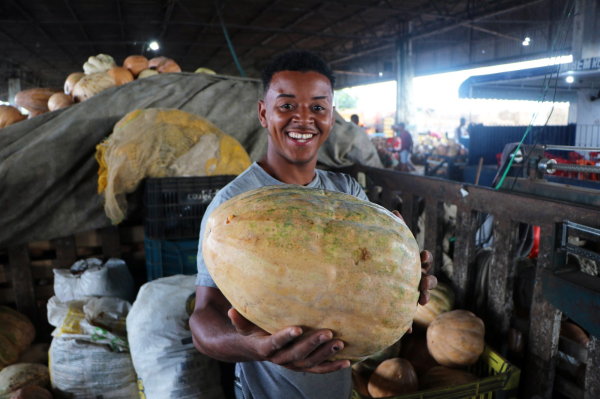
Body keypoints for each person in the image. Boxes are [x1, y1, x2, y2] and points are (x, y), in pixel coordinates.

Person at [190, 50, 437, 399]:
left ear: (331, 117)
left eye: (318, 107)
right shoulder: (230, 205)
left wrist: (407, 275)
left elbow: (370, 273)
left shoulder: (346, 190)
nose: (303, 119)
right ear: (264, 113)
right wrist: (253, 347)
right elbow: (203, 320)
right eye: (287, 106)